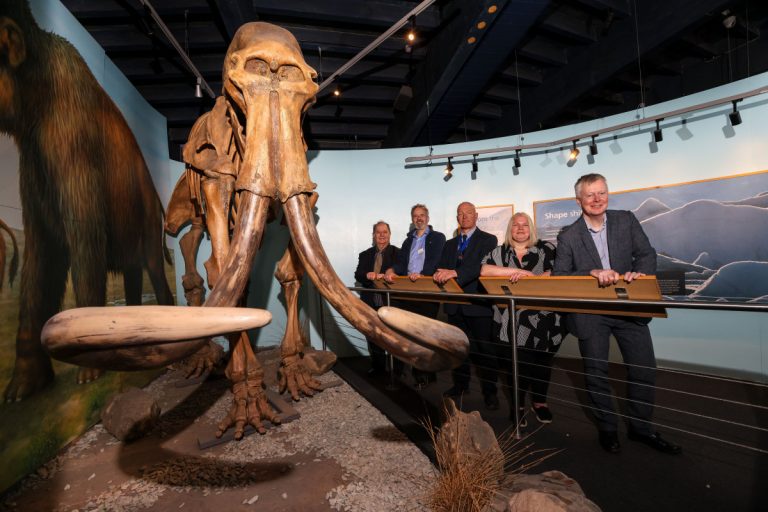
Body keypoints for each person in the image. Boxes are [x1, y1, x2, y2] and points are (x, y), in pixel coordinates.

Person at [553, 173, 681, 455]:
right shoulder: (568, 236)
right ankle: (607, 427)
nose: (597, 199)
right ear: (579, 200)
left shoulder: (626, 220)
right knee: (596, 371)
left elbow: (647, 254)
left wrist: (641, 273)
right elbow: (560, 275)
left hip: (628, 307)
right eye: (590, 195)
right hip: (591, 312)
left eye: (602, 193)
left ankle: (641, 428)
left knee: (643, 367)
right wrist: (591, 272)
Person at [480, 212, 567, 426]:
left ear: (531, 228)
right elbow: (485, 270)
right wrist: (517, 271)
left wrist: (533, 279)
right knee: (516, 367)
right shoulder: (499, 252)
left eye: (524, 225)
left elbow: (559, 271)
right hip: (509, 322)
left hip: (545, 321)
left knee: (542, 364)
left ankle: (539, 403)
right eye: (516, 225)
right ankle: (517, 406)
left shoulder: (547, 248)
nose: (520, 229)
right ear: (510, 229)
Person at [434, 202, 499, 409]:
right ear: (457, 218)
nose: (464, 217)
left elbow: (480, 267)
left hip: (478, 305)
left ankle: (490, 393)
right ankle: (461, 385)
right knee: (458, 349)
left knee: (485, 351)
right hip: (454, 306)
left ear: (476, 215)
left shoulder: (489, 240)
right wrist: (439, 272)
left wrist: (456, 273)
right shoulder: (449, 244)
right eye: (460, 214)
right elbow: (441, 266)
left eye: (468, 213)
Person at [383, 204, 446, 387]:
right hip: (408, 292)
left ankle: (425, 375)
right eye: (415, 216)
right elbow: (401, 263)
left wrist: (424, 274)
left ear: (428, 217)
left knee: (425, 337)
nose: (419, 218)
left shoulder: (438, 237)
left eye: (422, 215)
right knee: (408, 334)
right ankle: (410, 373)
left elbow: (436, 260)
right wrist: (392, 269)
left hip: (427, 292)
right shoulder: (407, 241)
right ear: (412, 219)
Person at [354, 221, 400, 376]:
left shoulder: (398, 253)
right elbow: (358, 274)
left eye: (385, 232)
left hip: (390, 304)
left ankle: (397, 370)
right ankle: (378, 367)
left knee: (394, 337)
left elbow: (402, 274)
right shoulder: (365, 254)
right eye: (378, 232)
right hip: (370, 303)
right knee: (373, 337)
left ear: (389, 234)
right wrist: (367, 275)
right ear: (373, 235)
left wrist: (389, 275)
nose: (382, 235)